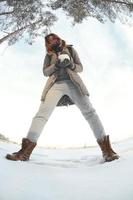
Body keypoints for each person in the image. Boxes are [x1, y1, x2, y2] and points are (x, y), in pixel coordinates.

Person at [6, 33, 119, 162]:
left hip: (74, 83)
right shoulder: (48, 56)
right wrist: (56, 66)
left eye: (54, 38)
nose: (52, 41)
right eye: (49, 40)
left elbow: (80, 68)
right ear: (47, 44)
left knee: (90, 112)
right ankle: (24, 152)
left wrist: (70, 64)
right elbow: (45, 72)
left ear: (58, 38)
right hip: (55, 85)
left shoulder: (70, 50)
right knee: (41, 114)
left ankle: (107, 150)